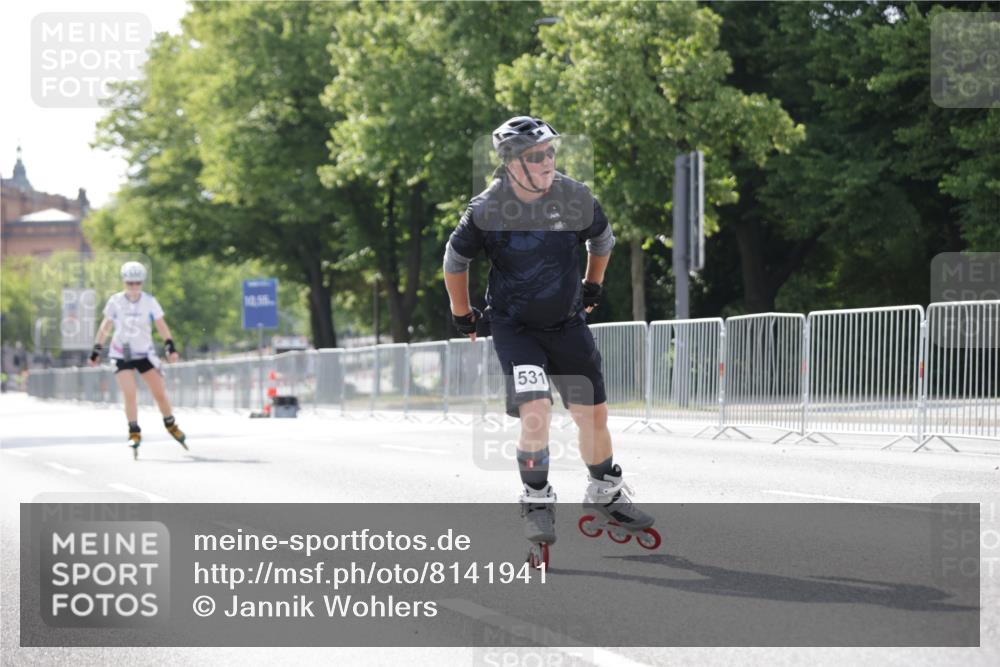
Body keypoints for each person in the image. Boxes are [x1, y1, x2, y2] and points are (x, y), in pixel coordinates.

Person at [443, 116, 655, 560]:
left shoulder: (574, 196)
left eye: (551, 152)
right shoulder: (487, 208)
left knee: (592, 417)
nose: (547, 161)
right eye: (536, 155)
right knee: (536, 411)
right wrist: (463, 314)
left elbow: (603, 240)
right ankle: (536, 499)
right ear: (511, 163)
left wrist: (592, 286)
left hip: (567, 323)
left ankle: (605, 490)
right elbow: (455, 260)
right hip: (515, 327)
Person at [89, 261, 187, 459]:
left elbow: (161, 324)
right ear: (124, 282)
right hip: (121, 353)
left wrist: (170, 345)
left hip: (144, 353)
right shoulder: (115, 301)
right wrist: (96, 350)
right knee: (130, 393)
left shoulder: (149, 301)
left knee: (159, 393)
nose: (134, 287)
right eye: (130, 283)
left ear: (142, 283)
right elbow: (106, 326)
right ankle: (134, 431)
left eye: (137, 283)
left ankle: (170, 423)